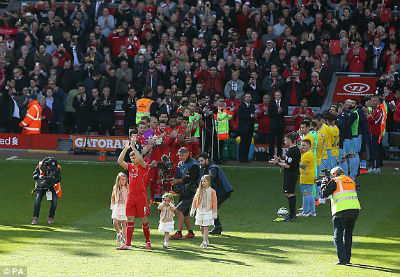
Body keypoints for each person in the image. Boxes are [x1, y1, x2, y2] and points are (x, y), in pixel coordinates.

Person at [321, 166, 361, 265]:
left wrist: (324, 183)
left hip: (341, 211)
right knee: (348, 235)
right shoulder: (350, 180)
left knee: (338, 236)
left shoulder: (335, 181)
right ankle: (347, 258)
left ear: (334, 174)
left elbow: (324, 193)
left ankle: (342, 260)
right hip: (354, 209)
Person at [117, 139, 152, 250]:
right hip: (131, 196)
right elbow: (119, 161)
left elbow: (141, 159)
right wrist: (126, 148)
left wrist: (133, 147)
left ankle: (147, 241)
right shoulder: (131, 167)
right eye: (131, 158)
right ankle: (128, 244)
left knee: (143, 220)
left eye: (134, 158)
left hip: (141, 197)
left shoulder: (144, 165)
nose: (132, 160)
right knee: (130, 220)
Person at [198, 153, 233, 235]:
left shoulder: (212, 168)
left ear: (207, 160)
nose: (200, 163)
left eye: (201, 161)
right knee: (213, 208)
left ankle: (217, 227)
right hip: (222, 191)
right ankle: (217, 227)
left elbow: (210, 177)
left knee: (212, 208)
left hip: (222, 192)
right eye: (199, 161)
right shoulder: (211, 167)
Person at [269, 132, 301, 222]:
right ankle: (292, 214)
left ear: (290, 140)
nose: (284, 141)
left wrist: (277, 163)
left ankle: (292, 215)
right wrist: (279, 160)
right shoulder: (293, 150)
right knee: (289, 193)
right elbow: (288, 162)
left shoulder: (292, 151)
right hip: (291, 174)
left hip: (291, 174)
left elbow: (288, 165)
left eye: (285, 140)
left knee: (290, 193)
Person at [170, 147, 200, 240]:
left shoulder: (194, 165)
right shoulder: (180, 164)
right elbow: (178, 175)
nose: (180, 157)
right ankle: (190, 232)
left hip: (192, 191)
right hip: (184, 191)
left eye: (182, 155)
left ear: (188, 153)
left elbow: (192, 178)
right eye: (179, 155)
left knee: (179, 210)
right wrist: (173, 182)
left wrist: (177, 181)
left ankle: (179, 232)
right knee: (185, 213)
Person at [190, 175, 218, 249]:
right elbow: (195, 200)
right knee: (201, 226)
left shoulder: (212, 191)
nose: (203, 183)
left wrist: (214, 213)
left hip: (208, 211)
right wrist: (193, 209)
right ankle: (205, 238)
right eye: (202, 181)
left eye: (204, 181)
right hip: (200, 210)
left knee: (205, 226)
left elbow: (215, 203)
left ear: (209, 182)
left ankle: (204, 241)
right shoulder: (199, 190)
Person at [31, 157, 62, 225]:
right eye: (50, 168)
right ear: (46, 165)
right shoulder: (40, 166)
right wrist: (41, 177)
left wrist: (52, 179)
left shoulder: (58, 167)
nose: (52, 170)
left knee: (54, 202)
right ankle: (35, 218)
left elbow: (59, 179)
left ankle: (51, 218)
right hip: (41, 186)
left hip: (53, 186)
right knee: (38, 200)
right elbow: (34, 176)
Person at [297, 139, 316, 217]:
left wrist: (296, 161)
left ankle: (305, 212)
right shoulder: (309, 153)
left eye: (304, 145)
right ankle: (313, 211)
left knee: (305, 194)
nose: (302, 147)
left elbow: (302, 166)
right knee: (310, 194)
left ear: (309, 146)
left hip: (306, 176)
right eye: (302, 145)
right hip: (310, 175)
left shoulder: (307, 154)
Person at [110, 172, 128, 246]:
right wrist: (112, 206)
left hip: (124, 206)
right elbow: (113, 197)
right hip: (117, 206)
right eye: (122, 179)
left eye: (125, 179)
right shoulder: (115, 187)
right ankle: (118, 234)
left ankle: (124, 238)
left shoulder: (127, 187)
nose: (123, 181)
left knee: (124, 223)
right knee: (115, 221)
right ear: (118, 180)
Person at [269, 90, 288, 159]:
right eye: (276, 95)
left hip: (281, 124)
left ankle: (279, 156)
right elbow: (270, 113)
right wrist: (277, 112)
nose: (277, 96)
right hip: (273, 124)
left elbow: (286, 112)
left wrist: (281, 111)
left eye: (278, 95)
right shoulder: (271, 102)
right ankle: (271, 156)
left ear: (281, 96)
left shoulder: (284, 102)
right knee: (272, 141)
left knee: (280, 141)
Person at [238, 92, 255, 163]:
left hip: (250, 127)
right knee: (243, 143)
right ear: (244, 98)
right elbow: (240, 116)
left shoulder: (252, 106)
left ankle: (246, 158)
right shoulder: (241, 106)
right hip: (243, 128)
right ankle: (241, 158)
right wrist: (249, 116)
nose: (248, 98)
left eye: (249, 97)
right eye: (246, 97)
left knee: (248, 143)